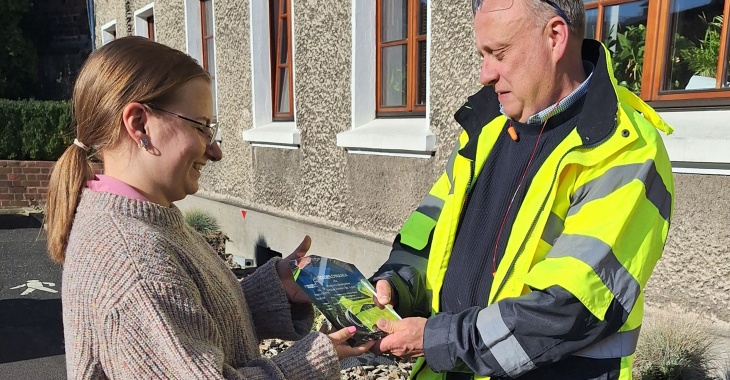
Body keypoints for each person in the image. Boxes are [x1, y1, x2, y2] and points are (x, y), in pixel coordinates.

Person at [369, 0, 675, 379]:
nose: (484, 74)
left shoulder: (625, 150)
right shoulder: (486, 128)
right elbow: (427, 232)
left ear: (555, 37)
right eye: (481, 54)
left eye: (498, 53)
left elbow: (569, 309)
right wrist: (395, 282)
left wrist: (439, 339)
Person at [45, 36, 373, 380]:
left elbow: (186, 324)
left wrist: (276, 290)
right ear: (140, 124)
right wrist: (312, 360)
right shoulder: (135, 259)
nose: (215, 151)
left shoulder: (141, 223)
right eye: (201, 127)